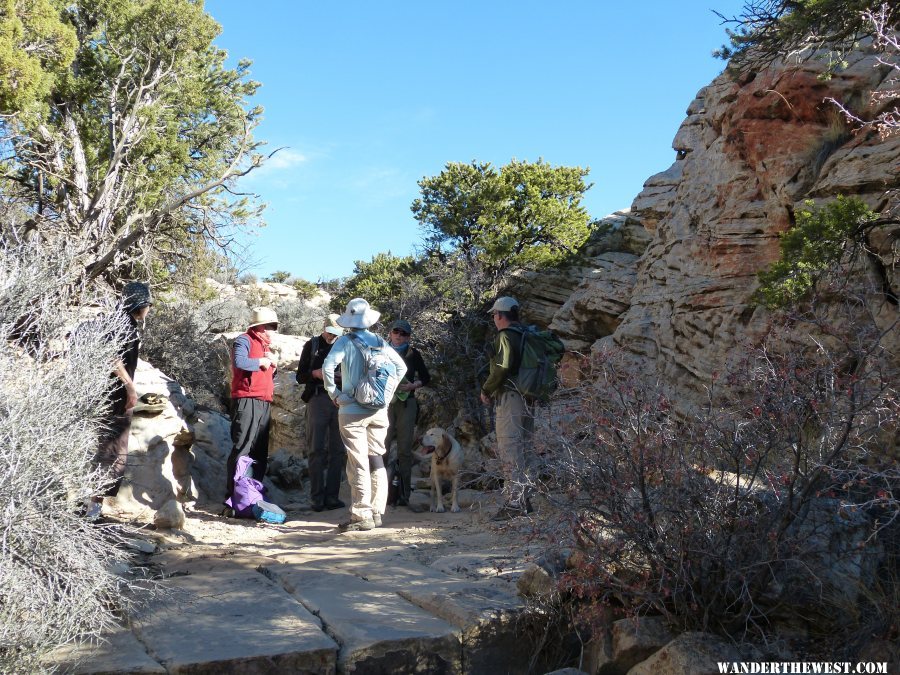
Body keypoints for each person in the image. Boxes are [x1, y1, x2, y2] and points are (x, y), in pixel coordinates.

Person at [322, 298, 407, 532]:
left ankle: (361, 514)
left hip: (351, 409)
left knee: (357, 460)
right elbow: (401, 368)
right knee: (377, 457)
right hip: (379, 409)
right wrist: (387, 394)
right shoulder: (380, 341)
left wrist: (334, 394)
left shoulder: (344, 342)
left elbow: (328, 366)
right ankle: (378, 511)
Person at [87, 281, 153, 520]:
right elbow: (111, 356)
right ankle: (92, 511)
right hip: (114, 398)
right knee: (113, 452)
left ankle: (94, 508)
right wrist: (130, 386)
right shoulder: (123, 324)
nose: (149, 309)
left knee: (110, 451)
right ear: (141, 303)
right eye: (148, 304)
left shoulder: (121, 322)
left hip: (110, 396)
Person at [480, 296, 535, 520]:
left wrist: (486, 389)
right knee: (526, 447)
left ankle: (514, 503)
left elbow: (502, 366)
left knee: (510, 448)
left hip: (510, 397)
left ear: (501, 315)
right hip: (529, 397)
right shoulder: (527, 334)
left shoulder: (505, 336)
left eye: (494, 314)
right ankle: (525, 499)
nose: (494, 318)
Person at [224, 307, 278, 509]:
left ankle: (253, 495)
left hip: (264, 402)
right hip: (246, 400)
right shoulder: (243, 340)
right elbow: (240, 362)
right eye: (271, 326)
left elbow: (266, 376)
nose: (273, 330)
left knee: (260, 451)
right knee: (243, 447)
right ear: (261, 327)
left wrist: (273, 365)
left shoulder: (265, 346)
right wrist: (262, 361)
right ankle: (234, 496)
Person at [296, 314, 347, 512]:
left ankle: (332, 497)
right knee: (316, 449)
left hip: (340, 400)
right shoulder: (312, 345)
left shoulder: (345, 345)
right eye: (329, 332)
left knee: (338, 451)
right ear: (323, 328)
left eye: (335, 333)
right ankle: (317, 498)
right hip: (318, 397)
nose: (331, 336)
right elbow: (301, 376)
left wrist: (343, 377)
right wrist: (315, 374)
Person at [384, 318, 430, 507]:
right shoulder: (381, 351)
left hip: (406, 403)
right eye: (396, 332)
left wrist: (413, 385)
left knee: (404, 449)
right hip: (385, 403)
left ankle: (403, 495)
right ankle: (381, 494)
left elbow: (426, 377)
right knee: (381, 448)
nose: (399, 337)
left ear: (409, 337)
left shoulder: (413, 354)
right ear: (390, 333)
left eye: (404, 334)